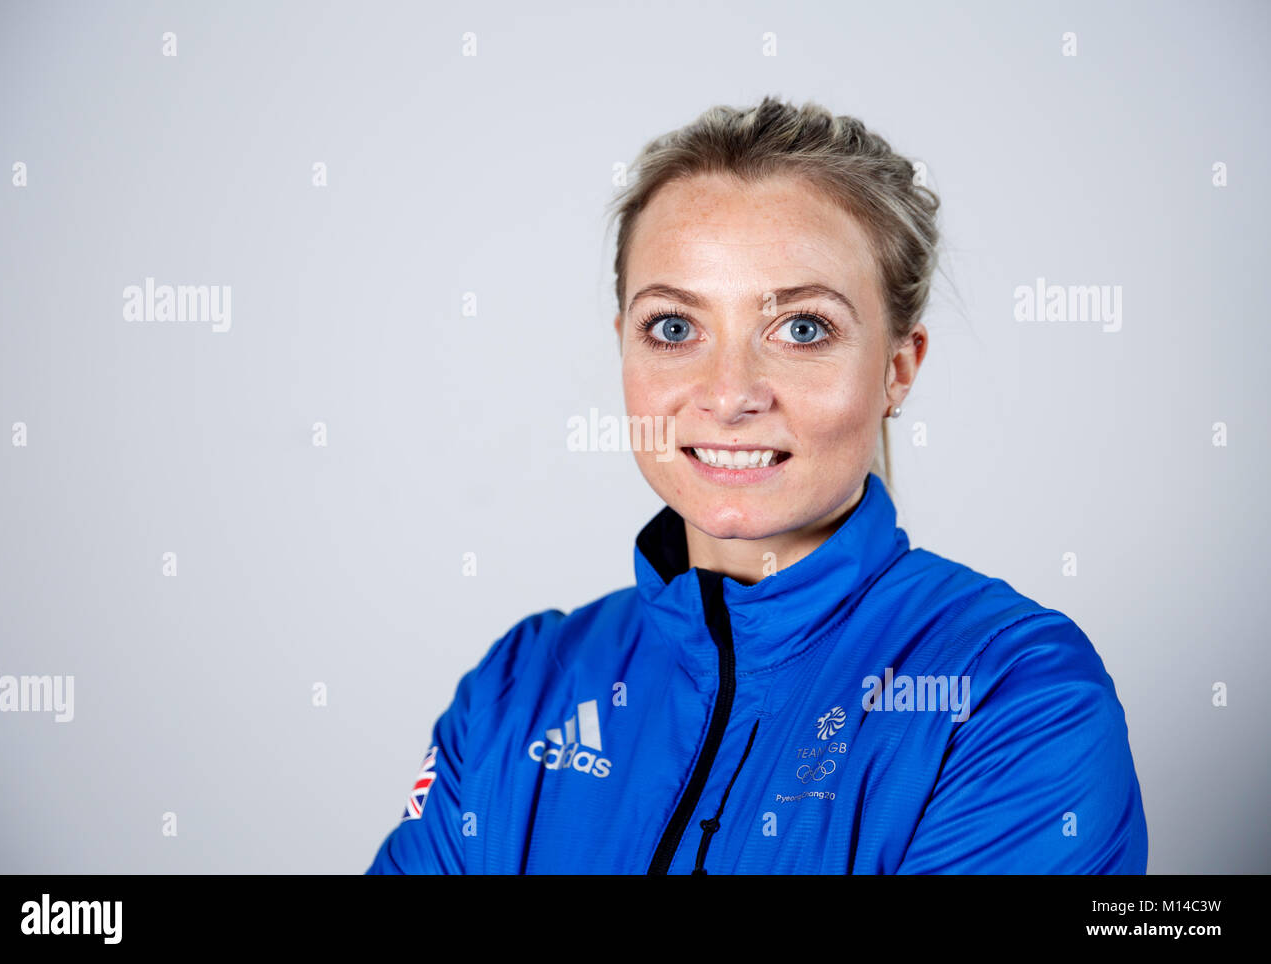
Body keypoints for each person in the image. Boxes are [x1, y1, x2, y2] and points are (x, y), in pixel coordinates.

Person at [366, 95, 1148, 874]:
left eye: (802, 329)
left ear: (898, 369)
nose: (730, 392)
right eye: (674, 328)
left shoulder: (1015, 697)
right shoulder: (521, 687)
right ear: (624, 351)